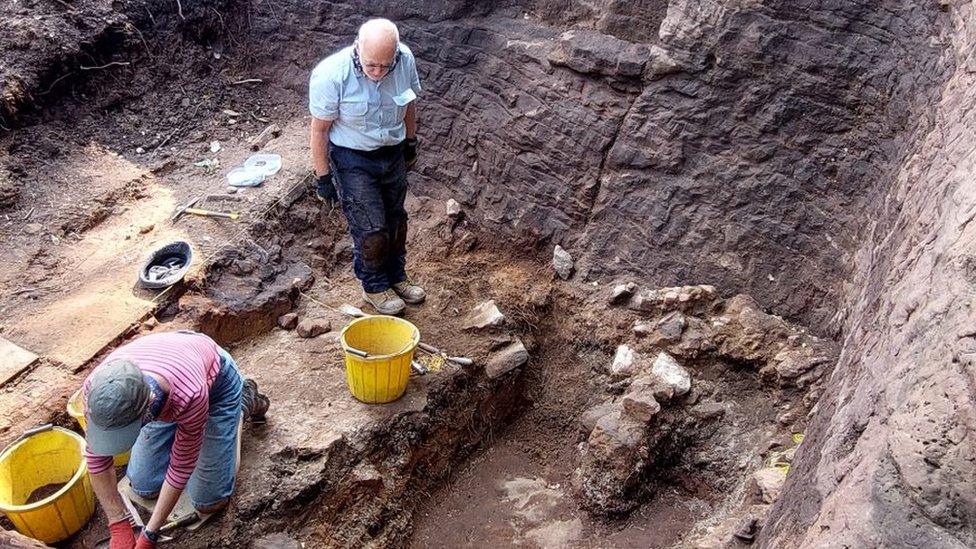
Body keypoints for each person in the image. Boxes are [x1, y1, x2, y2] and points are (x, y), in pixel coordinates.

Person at [83, 330, 269, 549]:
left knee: (209, 501)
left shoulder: (190, 393)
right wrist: (118, 523)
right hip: (162, 383)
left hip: (216, 387)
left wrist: (149, 534)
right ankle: (177, 425)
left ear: (147, 408)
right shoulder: (97, 391)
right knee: (143, 486)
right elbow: (96, 459)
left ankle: (242, 404)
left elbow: (181, 467)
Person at [308, 18, 426, 315]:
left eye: (385, 65)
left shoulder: (405, 59)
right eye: (371, 65)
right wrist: (323, 178)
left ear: (396, 54)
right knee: (371, 228)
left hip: (392, 151)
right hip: (353, 157)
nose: (378, 73)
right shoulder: (331, 74)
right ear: (357, 47)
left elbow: (409, 104)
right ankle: (374, 286)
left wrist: (411, 142)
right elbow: (319, 130)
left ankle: (397, 277)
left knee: (396, 220)